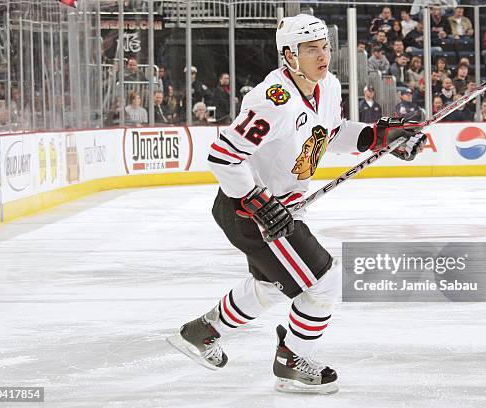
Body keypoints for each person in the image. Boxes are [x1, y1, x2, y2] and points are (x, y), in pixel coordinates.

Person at [167, 14, 426, 395]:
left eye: (324, 47)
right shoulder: (274, 100)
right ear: (289, 54)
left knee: (272, 285)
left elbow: (328, 133)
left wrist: (377, 136)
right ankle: (291, 360)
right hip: (253, 213)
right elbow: (223, 156)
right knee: (323, 284)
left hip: (277, 210)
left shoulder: (329, 86)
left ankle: (201, 333)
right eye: (311, 49)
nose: (323, 56)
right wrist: (259, 202)